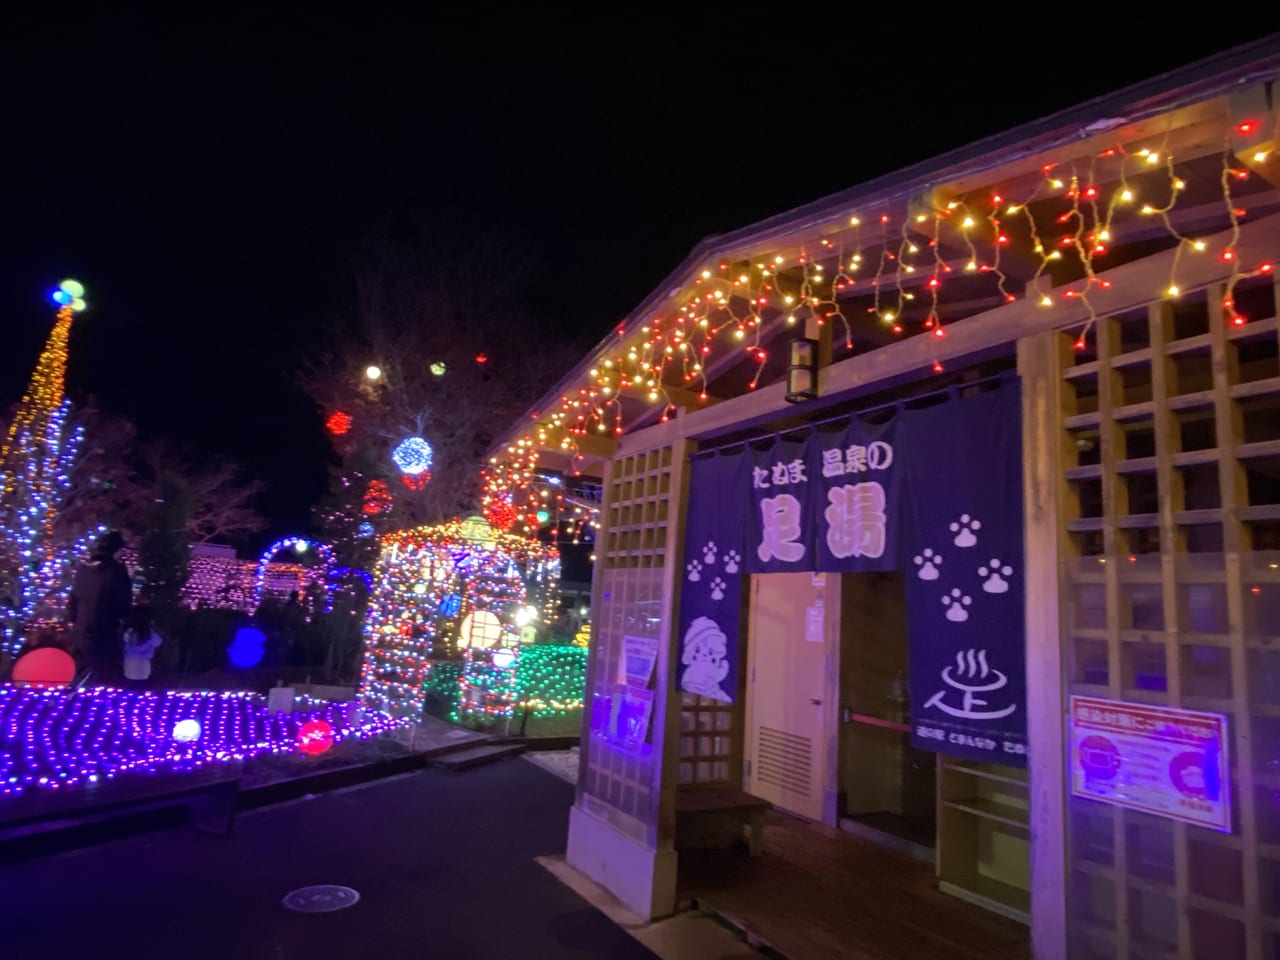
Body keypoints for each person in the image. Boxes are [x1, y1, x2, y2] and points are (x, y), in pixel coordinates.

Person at [66, 530, 133, 685]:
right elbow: (123, 602)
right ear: (116, 550)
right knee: (104, 676)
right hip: (105, 630)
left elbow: (73, 599)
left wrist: (73, 620)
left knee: (81, 673)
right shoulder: (116, 571)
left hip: (81, 630)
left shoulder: (83, 570)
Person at [121, 606, 162, 686]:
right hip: (144, 665)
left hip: (130, 663)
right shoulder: (149, 634)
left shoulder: (129, 632)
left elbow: (125, 642)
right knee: (142, 689)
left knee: (130, 689)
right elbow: (158, 642)